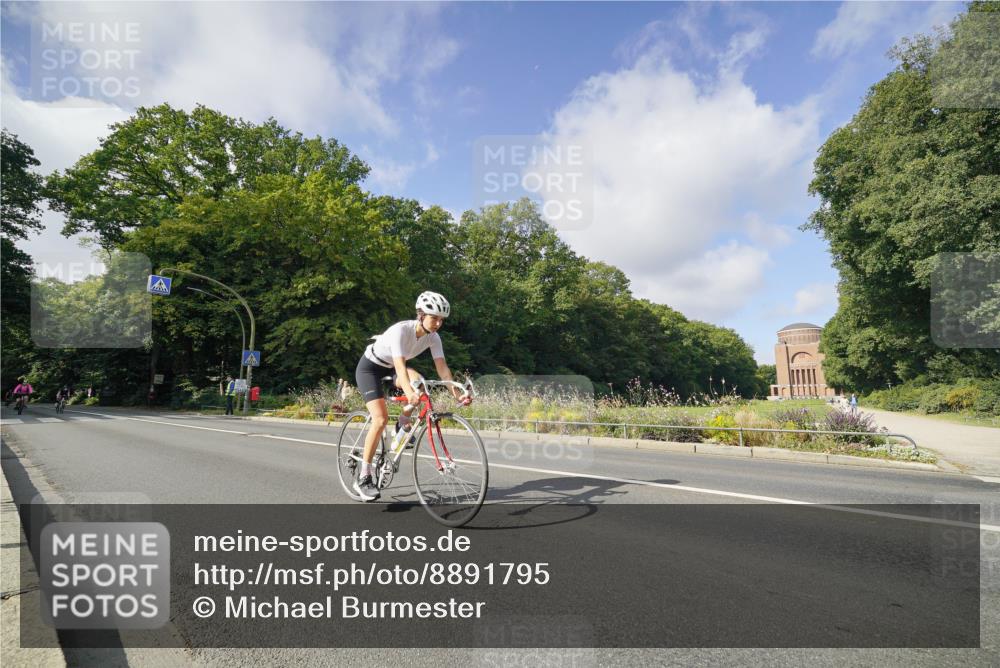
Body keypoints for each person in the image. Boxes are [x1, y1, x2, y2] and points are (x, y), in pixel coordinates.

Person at [352, 291, 471, 502]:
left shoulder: (434, 338)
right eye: (433, 318)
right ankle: (363, 477)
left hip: (390, 368)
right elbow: (400, 364)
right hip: (370, 368)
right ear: (420, 314)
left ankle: (402, 423)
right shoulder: (401, 331)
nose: (437, 324)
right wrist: (408, 393)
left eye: (441, 320)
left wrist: (456, 393)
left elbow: (442, 368)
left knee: (421, 387)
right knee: (380, 420)